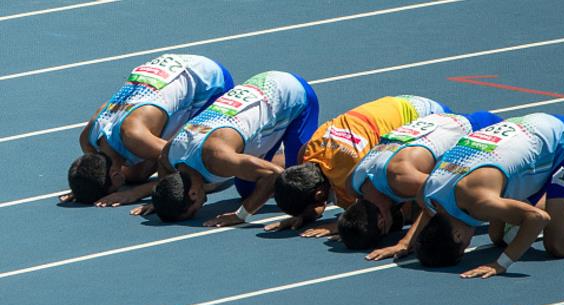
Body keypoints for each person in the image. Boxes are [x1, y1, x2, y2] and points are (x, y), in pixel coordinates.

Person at [413, 112, 564, 279]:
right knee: (498, 235)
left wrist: (501, 264)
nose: (469, 243)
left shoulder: (480, 201)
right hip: (524, 127)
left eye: (464, 247)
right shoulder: (429, 194)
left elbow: (536, 218)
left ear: (457, 235)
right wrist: (407, 244)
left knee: (560, 244)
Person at [136, 70, 319, 223]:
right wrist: (163, 198)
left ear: (192, 193)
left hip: (292, 94)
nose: (200, 208)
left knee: (299, 191)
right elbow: (162, 162)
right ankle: (268, 156)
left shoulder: (217, 159)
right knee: (249, 191)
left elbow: (273, 175)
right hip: (258, 90)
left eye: (193, 211)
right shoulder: (171, 154)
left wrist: (241, 215)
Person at [61, 54, 233, 205]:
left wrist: (136, 193)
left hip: (212, 81)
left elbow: (189, 171)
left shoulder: (134, 136)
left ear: (115, 175)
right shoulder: (88, 140)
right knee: (136, 174)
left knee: (205, 180)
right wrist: (83, 188)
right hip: (164, 68)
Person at [269, 95, 452, 235]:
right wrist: (303, 213)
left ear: (319, 193)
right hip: (403, 103)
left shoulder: (350, 176)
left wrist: (338, 225)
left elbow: (372, 214)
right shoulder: (308, 152)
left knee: (404, 211)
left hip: (432, 117)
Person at [338, 111, 503, 255]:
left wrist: (406, 242)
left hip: (483, 131)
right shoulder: (352, 184)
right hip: (440, 121)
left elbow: (442, 197)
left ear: (382, 222)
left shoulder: (401, 178)